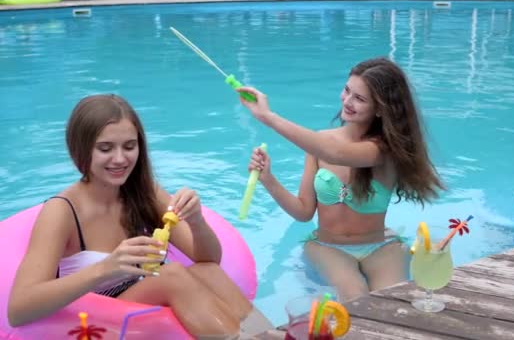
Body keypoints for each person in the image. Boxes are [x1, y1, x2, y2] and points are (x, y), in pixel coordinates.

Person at [7, 94, 272, 339]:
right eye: (106, 148)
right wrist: (106, 268)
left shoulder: (144, 192)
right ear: (81, 149)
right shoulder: (62, 212)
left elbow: (208, 259)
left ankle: (269, 335)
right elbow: (18, 310)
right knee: (172, 275)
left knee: (208, 272)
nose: (120, 159)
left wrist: (196, 220)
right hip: (95, 313)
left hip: (140, 296)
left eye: (129, 146)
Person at [237, 57, 445, 302]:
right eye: (347, 90)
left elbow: (335, 153)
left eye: (359, 98)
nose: (347, 101)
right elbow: (304, 212)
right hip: (327, 247)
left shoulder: (385, 151)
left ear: (380, 108)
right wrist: (268, 179)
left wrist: (268, 117)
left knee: (392, 302)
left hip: (381, 247)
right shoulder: (319, 142)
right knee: (354, 296)